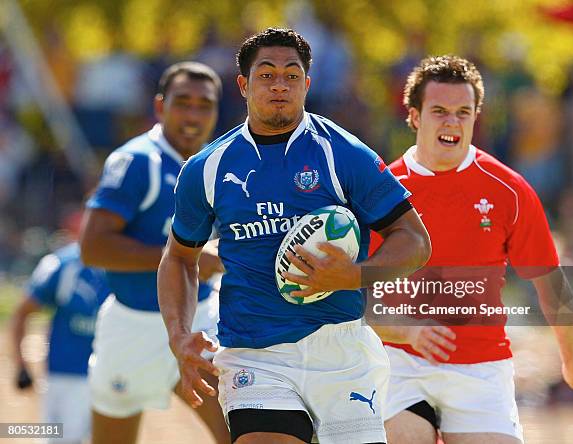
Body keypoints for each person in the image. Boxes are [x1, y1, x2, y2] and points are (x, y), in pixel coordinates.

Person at [157, 28, 431, 444]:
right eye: (266, 75)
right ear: (245, 86)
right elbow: (178, 258)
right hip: (255, 354)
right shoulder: (207, 168)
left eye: (291, 75)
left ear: (307, 83)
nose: (280, 85)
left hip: (341, 352)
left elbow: (414, 240)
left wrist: (353, 275)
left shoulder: (343, 154)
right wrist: (179, 337)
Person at [370, 55, 573, 444]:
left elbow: (550, 282)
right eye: (439, 111)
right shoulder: (382, 191)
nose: (452, 122)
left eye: (464, 112)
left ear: (477, 117)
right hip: (398, 364)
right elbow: (349, 293)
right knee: (405, 438)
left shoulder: (508, 190)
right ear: (414, 116)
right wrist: (404, 330)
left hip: (481, 368)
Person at [80, 62, 229, 444]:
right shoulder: (137, 162)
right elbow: (94, 247)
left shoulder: (218, 164)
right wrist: (184, 256)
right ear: (160, 107)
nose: (194, 114)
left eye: (204, 105)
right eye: (183, 102)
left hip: (202, 319)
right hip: (134, 324)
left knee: (243, 430)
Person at [11, 239, 109, 444]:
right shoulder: (63, 263)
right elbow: (23, 312)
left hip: (112, 374)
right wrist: (21, 364)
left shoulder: (133, 261)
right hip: (67, 373)